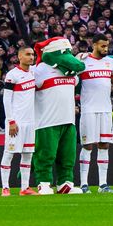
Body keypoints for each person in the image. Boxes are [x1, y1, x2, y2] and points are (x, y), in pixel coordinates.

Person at [29, 35, 86, 195]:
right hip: (47, 122)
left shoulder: (71, 73)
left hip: (68, 120)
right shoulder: (39, 70)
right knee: (46, 154)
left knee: (67, 156)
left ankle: (65, 183)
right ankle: (43, 183)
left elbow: (75, 82)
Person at [75, 36, 113, 192]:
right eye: (102, 46)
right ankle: (83, 184)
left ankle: (103, 184)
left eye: (107, 46)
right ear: (94, 45)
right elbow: (72, 79)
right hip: (88, 109)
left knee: (104, 145)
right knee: (87, 146)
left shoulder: (111, 62)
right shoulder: (83, 61)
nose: (105, 49)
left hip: (106, 110)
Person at [0, 43, 38, 196]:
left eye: (32, 55)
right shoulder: (12, 75)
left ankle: (24, 188)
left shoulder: (33, 73)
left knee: (27, 154)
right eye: (28, 54)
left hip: (31, 121)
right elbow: (6, 99)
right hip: (17, 121)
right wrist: (11, 121)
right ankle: (5, 187)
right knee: (9, 153)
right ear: (19, 56)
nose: (31, 57)